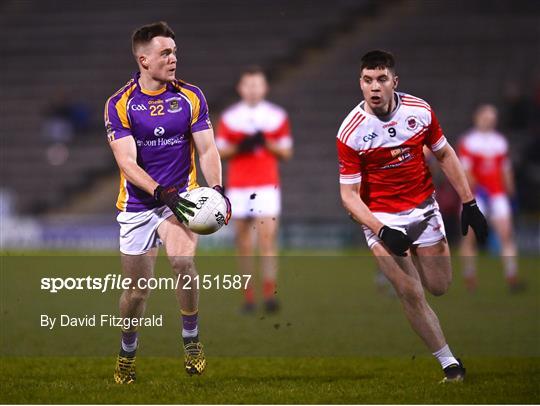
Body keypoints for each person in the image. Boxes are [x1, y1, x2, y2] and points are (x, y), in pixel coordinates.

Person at [336, 50, 488, 382]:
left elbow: (444, 153)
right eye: (367, 80)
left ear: (394, 81)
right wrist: (381, 229)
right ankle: (450, 364)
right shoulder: (351, 131)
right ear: (360, 83)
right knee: (410, 291)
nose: (374, 87)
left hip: (423, 209)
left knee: (439, 286)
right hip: (381, 218)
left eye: (381, 79)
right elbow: (348, 195)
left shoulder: (419, 111)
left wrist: (470, 203)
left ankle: (416, 255)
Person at [105, 21, 231, 384]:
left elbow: (207, 148)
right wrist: (161, 193)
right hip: (139, 206)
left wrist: (218, 189)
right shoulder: (120, 103)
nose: (173, 58)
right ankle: (127, 352)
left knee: (182, 261)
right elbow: (127, 163)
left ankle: (191, 340)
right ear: (144, 60)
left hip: (183, 199)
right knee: (136, 293)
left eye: (174, 51)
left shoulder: (191, 96)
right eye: (165, 53)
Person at [216, 66, 293, 313]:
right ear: (241, 88)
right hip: (238, 187)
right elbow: (219, 151)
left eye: (256, 84)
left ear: (264, 87)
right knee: (244, 244)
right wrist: (242, 146)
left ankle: (269, 295)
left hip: (266, 185)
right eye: (248, 85)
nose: (252, 89)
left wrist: (266, 143)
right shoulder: (230, 117)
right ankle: (249, 298)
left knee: (267, 241)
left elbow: (286, 152)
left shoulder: (276, 116)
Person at [458, 104, 523, 292]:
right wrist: (479, 191)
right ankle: (470, 278)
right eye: (486, 116)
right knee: (469, 238)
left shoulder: (500, 142)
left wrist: (511, 194)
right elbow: (466, 171)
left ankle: (512, 277)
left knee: (506, 234)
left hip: (497, 195)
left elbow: (506, 171)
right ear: (477, 118)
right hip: (476, 196)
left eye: (492, 117)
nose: (490, 120)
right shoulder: (469, 141)